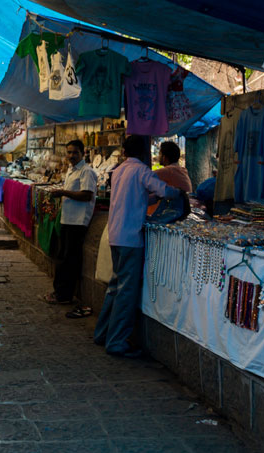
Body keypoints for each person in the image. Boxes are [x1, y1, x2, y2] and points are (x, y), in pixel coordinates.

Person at [94, 135, 182, 357]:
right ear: (143, 152)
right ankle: (116, 342)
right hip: (131, 238)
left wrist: (154, 198)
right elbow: (164, 190)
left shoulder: (119, 171)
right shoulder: (142, 171)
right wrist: (177, 193)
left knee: (115, 287)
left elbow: (135, 197)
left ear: (124, 152)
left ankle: (102, 333)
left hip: (115, 235)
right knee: (126, 292)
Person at [42, 140, 97, 316]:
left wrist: (63, 193)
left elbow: (87, 195)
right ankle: (59, 292)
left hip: (78, 221)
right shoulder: (71, 170)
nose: (71, 156)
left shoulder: (87, 171)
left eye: (75, 153)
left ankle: (64, 295)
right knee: (63, 257)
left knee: (70, 260)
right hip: (68, 219)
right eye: (69, 152)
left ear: (82, 153)